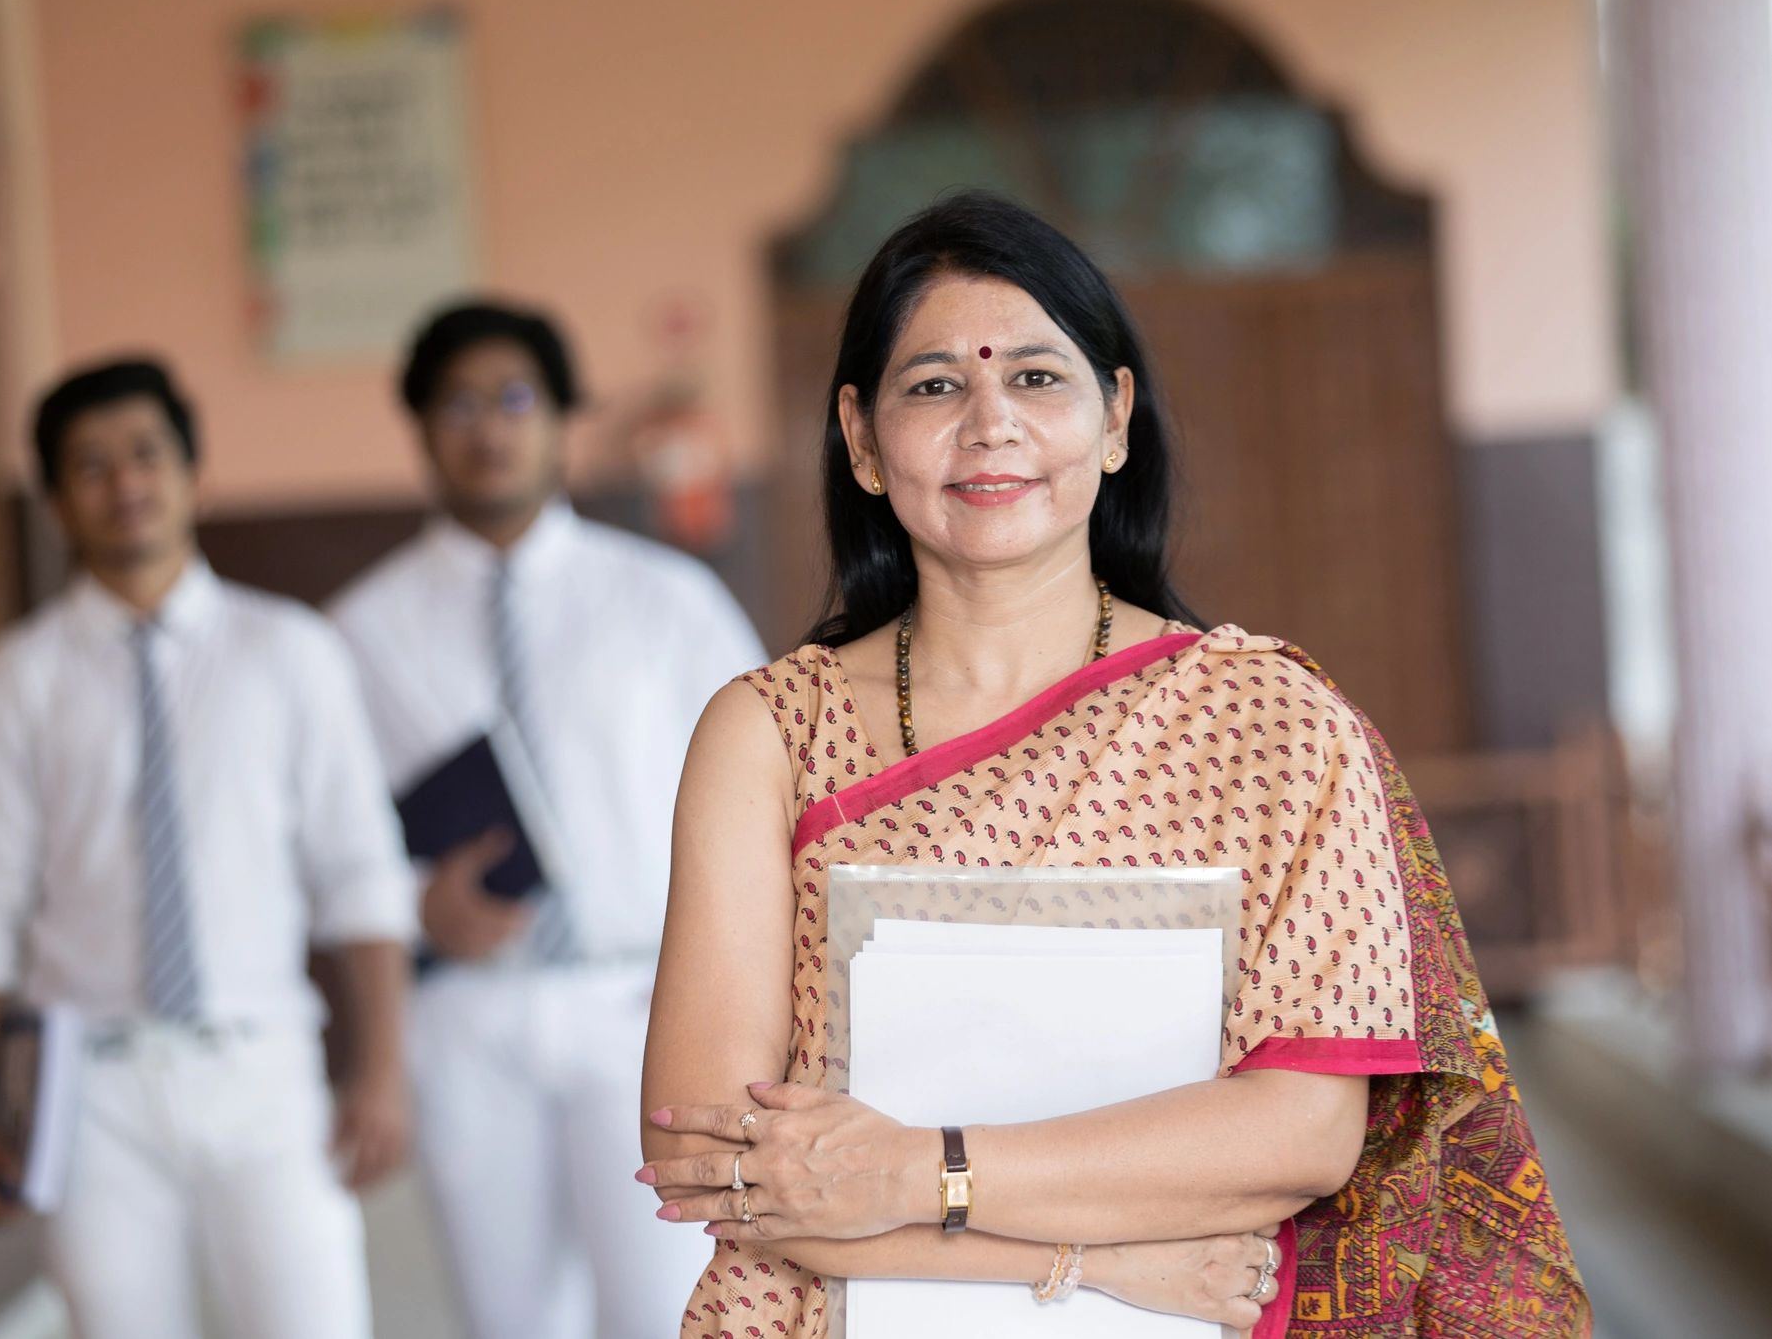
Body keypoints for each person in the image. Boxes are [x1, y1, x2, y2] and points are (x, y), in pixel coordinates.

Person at [640, 193, 1590, 1337]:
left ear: (1118, 416)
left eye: (1037, 378)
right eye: (935, 385)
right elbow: (707, 1156)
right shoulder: (769, 731)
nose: (990, 423)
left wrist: (915, 1172)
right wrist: (1092, 1258)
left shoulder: (1274, 724)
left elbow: (1301, 1133)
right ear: (860, 439)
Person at [0, 357, 416, 1339]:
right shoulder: (15, 682)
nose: (125, 483)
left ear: (192, 470)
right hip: (91, 1087)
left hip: (265, 1071)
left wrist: (383, 1069)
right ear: (57, 499)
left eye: (147, 454)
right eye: (91, 464)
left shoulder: (290, 651)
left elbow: (359, 870)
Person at [329, 301, 765, 1338]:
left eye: (515, 396)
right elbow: (324, 840)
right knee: (507, 1318)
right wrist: (412, 903)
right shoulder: (356, 630)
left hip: (643, 1006)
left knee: (665, 1312)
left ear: (561, 415)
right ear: (423, 426)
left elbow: (767, 805)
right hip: (470, 1017)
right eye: (460, 402)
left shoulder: (668, 599)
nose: (489, 425)